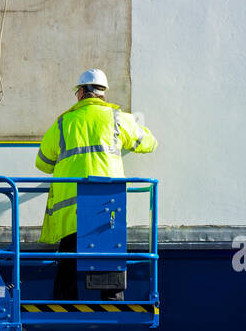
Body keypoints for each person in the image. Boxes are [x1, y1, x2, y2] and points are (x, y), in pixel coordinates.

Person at [36, 69, 156, 300]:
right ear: (103, 94)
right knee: (107, 248)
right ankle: (112, 297)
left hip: (71, 209)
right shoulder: (117, 118)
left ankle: (64, 299)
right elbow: (149, 143)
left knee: (68, 255)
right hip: (106, 204)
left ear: (81, 92)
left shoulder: (63, 123)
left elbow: (42, 163)